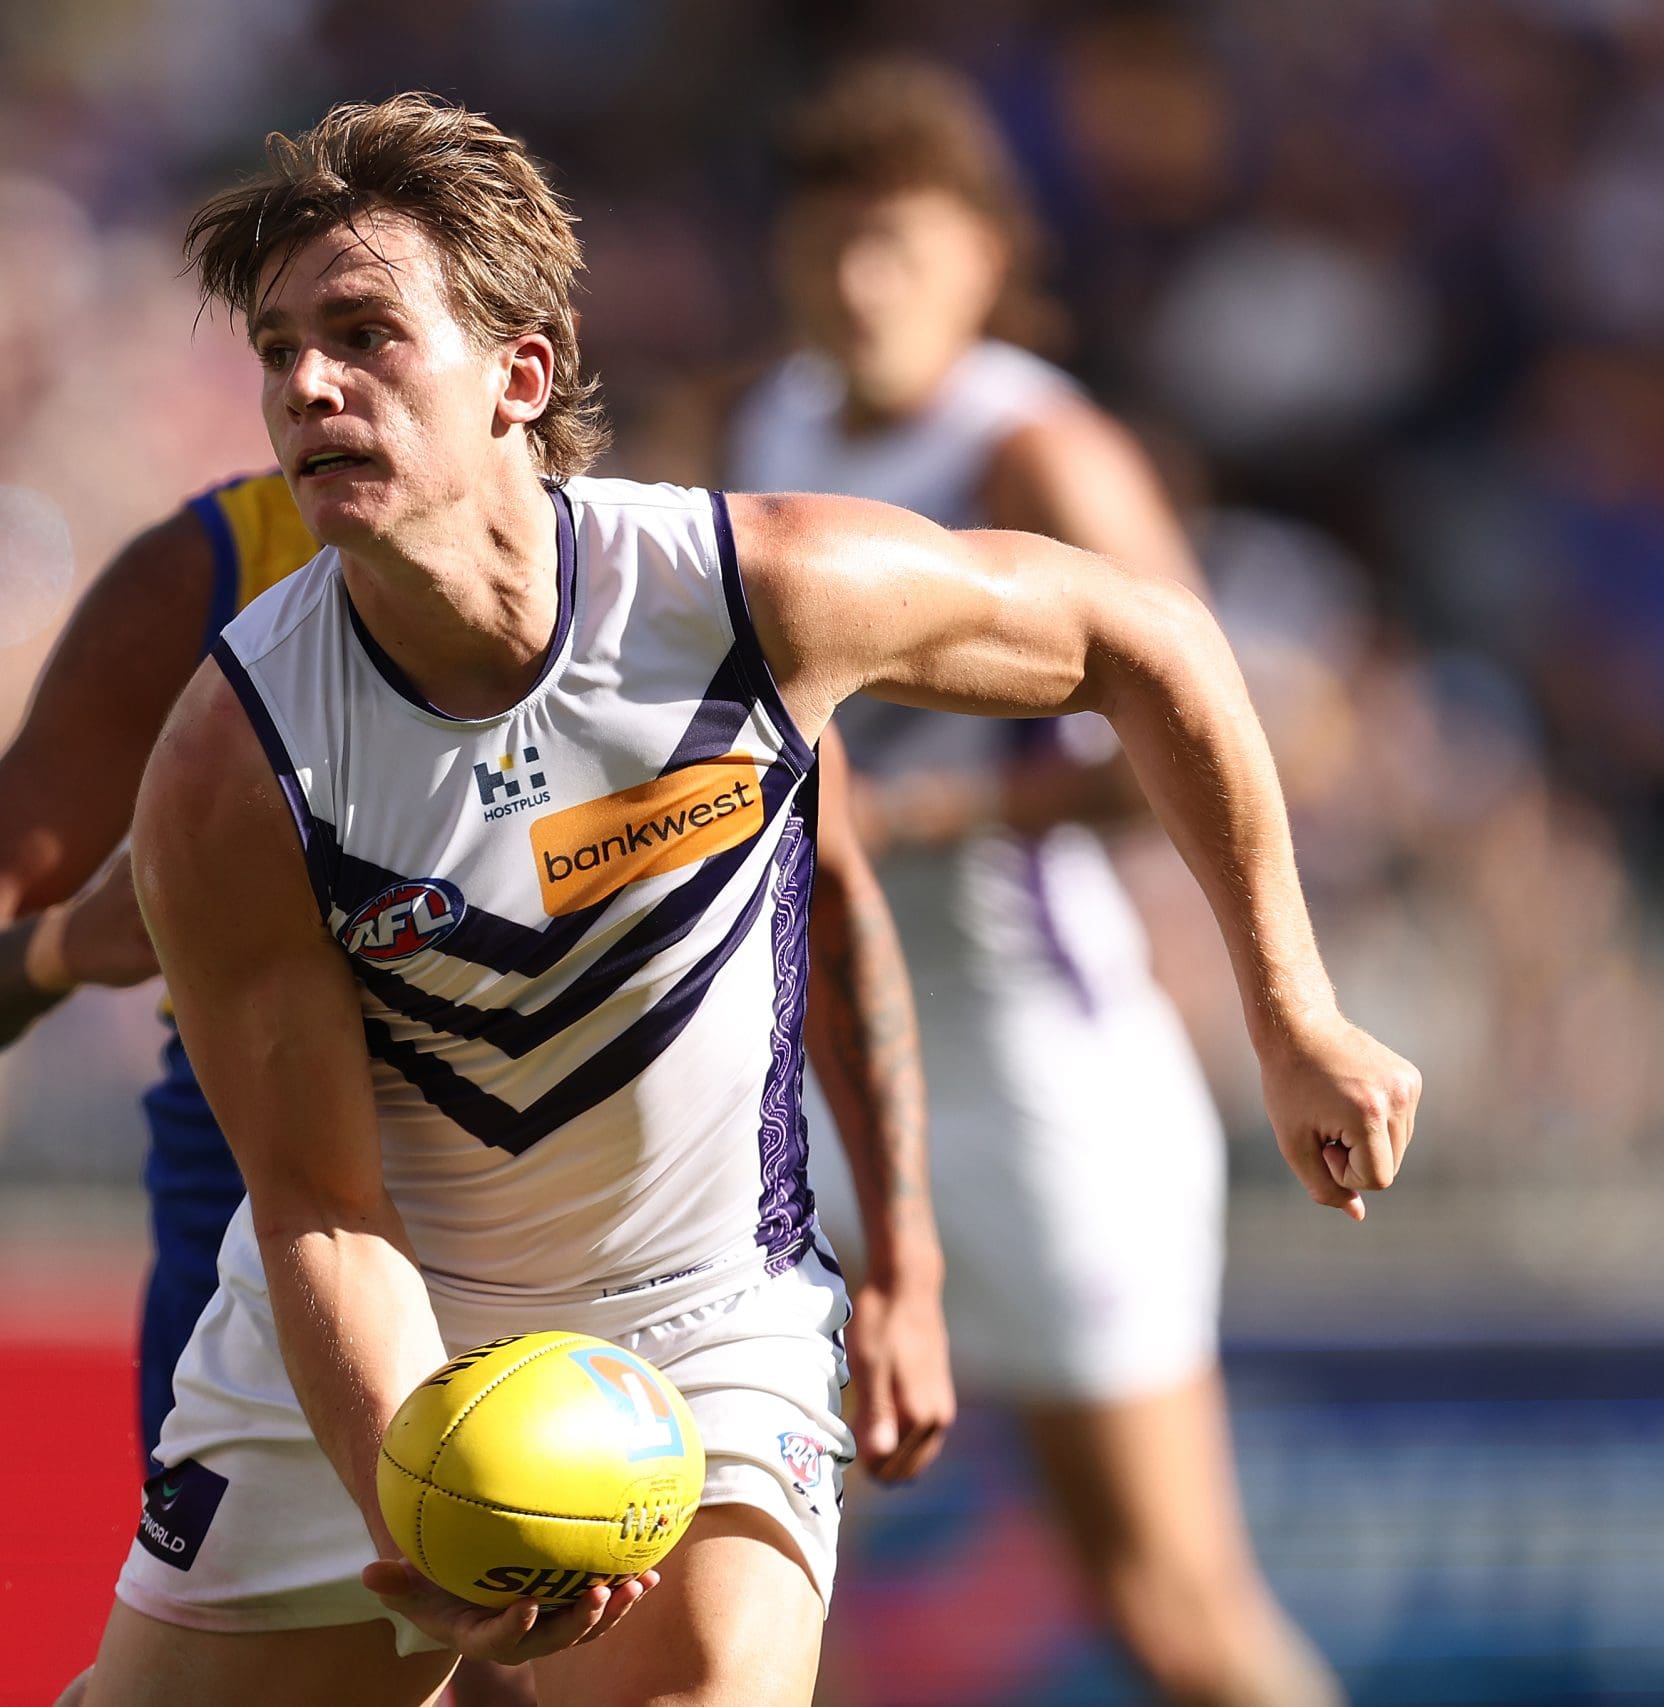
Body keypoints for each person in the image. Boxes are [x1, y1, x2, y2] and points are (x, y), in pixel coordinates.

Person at [78, 94, 1417, 1707]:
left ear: (522, 373)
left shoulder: (739, 592)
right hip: (368, 1345)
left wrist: (1291, 1009)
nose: (307, 384)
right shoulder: (233, 760)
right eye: (280, 348)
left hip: (697, 1322)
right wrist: (420, 1501)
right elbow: (318, 1212)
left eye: (364, 333)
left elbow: (1152, 639)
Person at [0, 490, 950, 1707]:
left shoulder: (666, 587)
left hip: (617, 1243)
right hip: (273, 1205)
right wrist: (77, 939)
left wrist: (905, 1264)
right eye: (297, 344)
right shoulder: (207, 579)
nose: (331, 390)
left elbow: (835, 896)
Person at [724, 60, 1340, 1706]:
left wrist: (916, 819)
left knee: (1171, 1613)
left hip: (1045, 1092)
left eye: (901, 247)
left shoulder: (1038, 451)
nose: (862, 283)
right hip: (837, 1081)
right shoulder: (768, 426)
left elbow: (1197, 737)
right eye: (831, 242)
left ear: (987, 257)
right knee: (744, 1583)